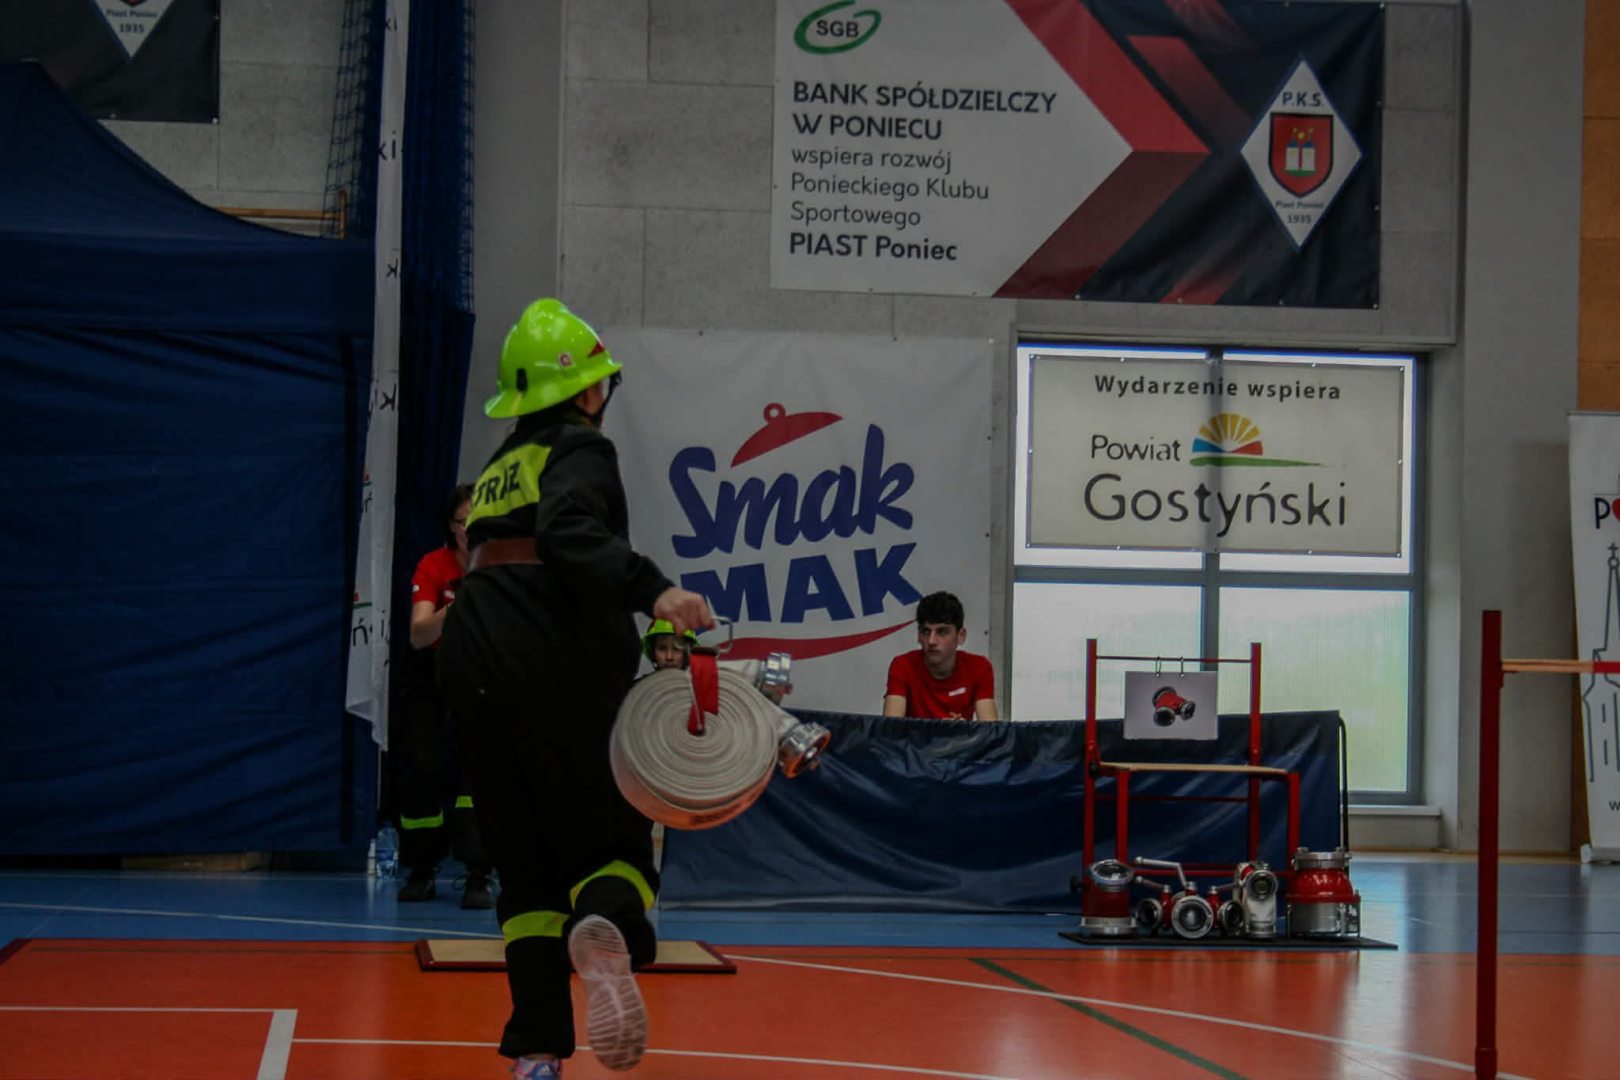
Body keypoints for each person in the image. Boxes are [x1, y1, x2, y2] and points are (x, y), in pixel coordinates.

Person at [437, 297, 713, 1078]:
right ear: (588, 390)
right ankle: (604, 921)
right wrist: (656, 591)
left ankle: (536, 1053)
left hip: (473, 656)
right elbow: (567, 536)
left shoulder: (499, 467)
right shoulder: (581, 446)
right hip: (548, 648)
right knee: (614, 831)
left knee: (524, 865)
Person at [391, 483, 495, 908]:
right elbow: (418, 634)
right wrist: (458, 605)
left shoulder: (504, 568)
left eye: (477, 520)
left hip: (482, 671)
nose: (469, 529)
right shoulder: (433, 565)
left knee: (481, 771)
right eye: (462, 521)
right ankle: (421, 868)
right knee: (422, 766)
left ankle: (479, 872)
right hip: (430, 669)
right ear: (451, 526)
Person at [882, 591, 999, 721]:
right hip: (918, 736)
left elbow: (990, 729)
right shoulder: (903, 665)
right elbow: (890, 729)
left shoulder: (979, 667)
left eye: (942, 632)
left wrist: (965, 729)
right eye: (926, 631)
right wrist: (939, 729)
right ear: (919, 636)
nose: (931, 641)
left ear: (961, 636)